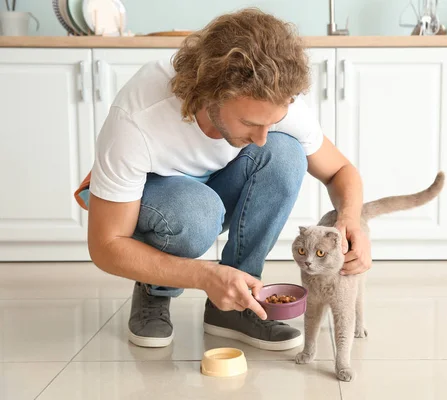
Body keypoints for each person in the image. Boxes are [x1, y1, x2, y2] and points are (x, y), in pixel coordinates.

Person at [74, 8, 372, 351]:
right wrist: (204, 275)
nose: (262, 136)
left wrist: (350, 222)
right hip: (164, 205)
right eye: (250, 123)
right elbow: (105, 245)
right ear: (212, 93)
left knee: (287, 153)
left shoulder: (273, 106)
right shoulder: (139, 116)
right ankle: (154, 291)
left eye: (271, 122)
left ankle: (233, 304)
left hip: (213, 193)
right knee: (196, 211)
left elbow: (340, 171)